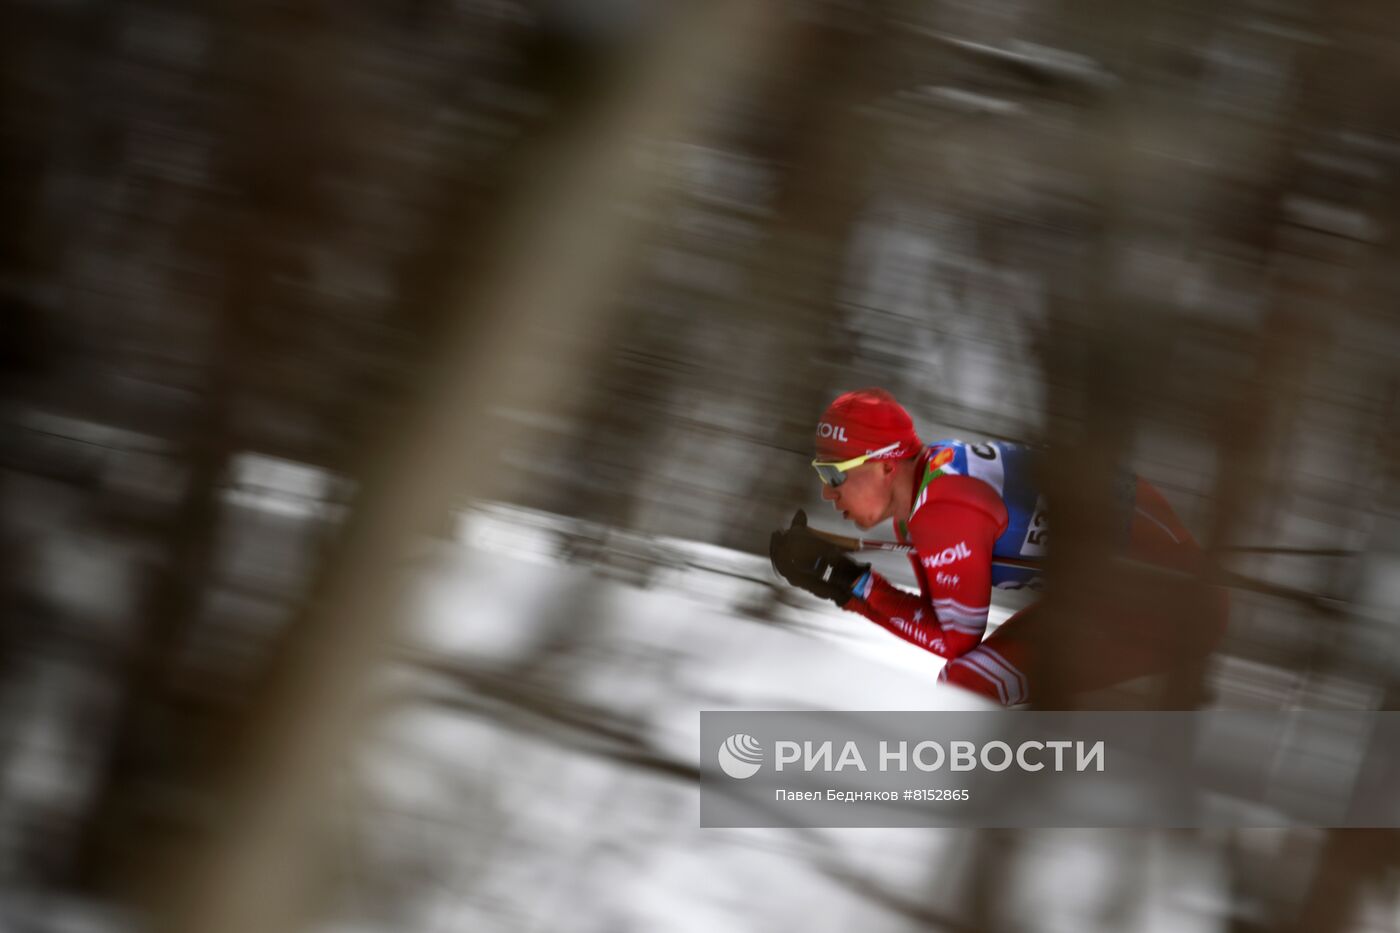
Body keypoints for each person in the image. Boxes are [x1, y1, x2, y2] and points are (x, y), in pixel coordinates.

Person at [768, 387, 1228, 706]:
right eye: (821, 475)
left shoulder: (941, 510)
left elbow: (955, 640)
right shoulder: (928, 492)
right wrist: (847, 584)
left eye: (835, 474)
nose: (828, 493)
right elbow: (945, 626)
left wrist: (848, 585)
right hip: (1103, 598)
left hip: (1169, 607)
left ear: (887, 464)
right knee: (970, 683)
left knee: (969, 685)